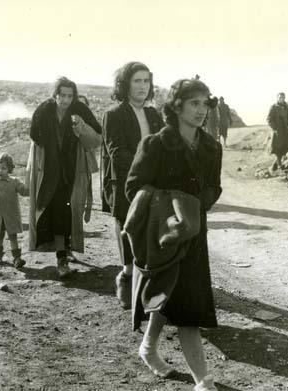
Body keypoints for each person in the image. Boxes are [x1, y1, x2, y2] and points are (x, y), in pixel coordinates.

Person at [125, 78, 223, 391]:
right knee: (177, 302)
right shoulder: (156, 144)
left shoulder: (211, 147)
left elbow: (214, 187)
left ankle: (148, 348)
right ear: (177, 106)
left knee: (180, 302)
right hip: (163, 237)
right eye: (194, 103)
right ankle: (203, 382)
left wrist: (193, 208)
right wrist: (170, 207)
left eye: (205, 103)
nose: (201, 110)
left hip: (193, 237)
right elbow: (133, 187)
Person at [101, 61, 165, 309]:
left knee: (151, 234)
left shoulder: (152, 114)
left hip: (152, 184)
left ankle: (148, 287)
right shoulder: (114, 114)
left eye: (146, 81)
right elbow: (117, 152)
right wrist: (147, 171)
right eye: (137, 81)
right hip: (126, 184)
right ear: (125, 84)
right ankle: (126, 277)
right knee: (128, 232)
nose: (142, 86)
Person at [27, 77, 102, 278]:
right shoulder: (44, 111)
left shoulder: (80, 110)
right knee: (54, 211)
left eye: (70, 96)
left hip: (72, 170)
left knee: (69, 211)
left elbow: (96, 136)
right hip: (50, 170)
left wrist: (81, 128)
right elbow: (35, 136)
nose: (66, 100)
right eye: (62, 95)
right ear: (55, 95)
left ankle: (64, 253)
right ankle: (62, 256)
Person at [267, 92, 288, 172]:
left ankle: (275, 165)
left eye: (283, 97)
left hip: (287, 131)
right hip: (279, 133)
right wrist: (276, 128)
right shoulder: (273, 107)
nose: (281, 99)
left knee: (286, 147)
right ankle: (279, 166)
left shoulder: (285, 106)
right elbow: (269, 119)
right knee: (279, 150)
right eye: (280, 97)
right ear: (277, 98)